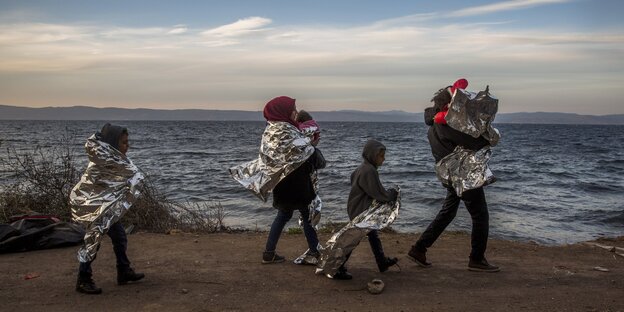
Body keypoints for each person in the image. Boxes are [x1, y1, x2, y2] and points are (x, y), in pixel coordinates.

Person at [408, 79, 500, 272]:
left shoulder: (434, 126)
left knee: (448, 212)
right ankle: (476, 259)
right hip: (463, 175)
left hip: (449, 175)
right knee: (480, 215)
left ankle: (419, 248)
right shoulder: (448, 125)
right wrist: (486, 134)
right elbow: (474, 144)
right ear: (448, 105)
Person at [71, 123, 145, 294]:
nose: (128, 146)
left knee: (119, 237)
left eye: (128, 142)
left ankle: (123, 271)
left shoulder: (115, 160)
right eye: (124, 143)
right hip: (95, 209)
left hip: (107, 208)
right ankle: (83, 279)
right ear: (113, 144)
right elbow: (93, 187)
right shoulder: (101, 161)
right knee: (92, 242)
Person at [261, 97, 326, 264]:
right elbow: (305, 152)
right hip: (299, 182)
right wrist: (313, 144)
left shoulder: (272, 131)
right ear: (284, 111)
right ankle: (314, 252)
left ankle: (269, 252)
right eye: (293, 109)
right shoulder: (290, 130)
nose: (296, 112)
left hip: (282, 182)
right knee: (307, 216)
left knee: (283, 215)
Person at [332, 139, 399, 280]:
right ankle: (337, 267)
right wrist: (392, 193)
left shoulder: (362, 168)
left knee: (372, 235)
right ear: (372, 155)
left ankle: (382, 262)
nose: (384, 159)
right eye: (381, 156)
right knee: (353, 240)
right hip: (360, 211)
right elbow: (379, 194)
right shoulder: (369, 171)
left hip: (356, 207)